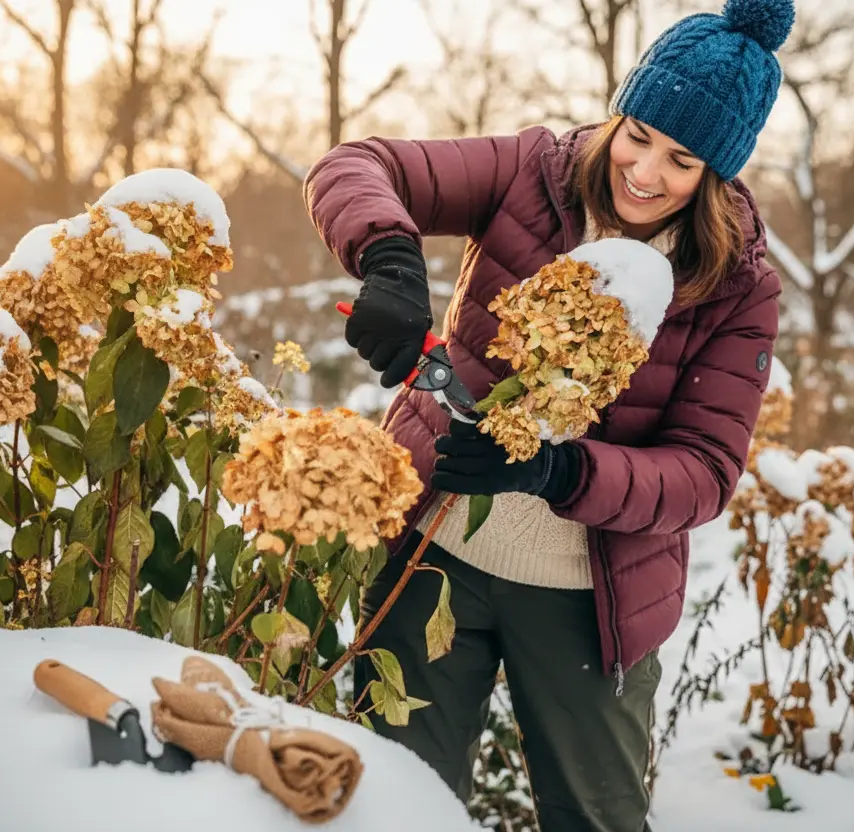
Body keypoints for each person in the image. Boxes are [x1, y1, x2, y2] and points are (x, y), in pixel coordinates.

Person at [302, 0, 791, 828]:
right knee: (393, 804)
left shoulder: (736, 282)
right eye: (637, 134)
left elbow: (707, 473)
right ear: (618, 113)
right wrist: (388, 258)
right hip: (435, 554)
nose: (643, 171)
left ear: (716, 173)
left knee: (595, 817)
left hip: (589, 598)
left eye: (681, 160)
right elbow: (358, 164)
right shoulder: (535, 171)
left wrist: (560, 469)